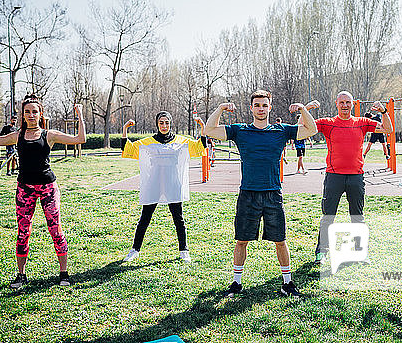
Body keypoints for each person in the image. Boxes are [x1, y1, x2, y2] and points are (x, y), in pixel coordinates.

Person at [204, 90, 319, 298]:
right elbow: (209, 129)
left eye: (264, 105)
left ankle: (287, 283)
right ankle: (236, 283)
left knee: (280, 240)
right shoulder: (240, 131)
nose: (261, 109)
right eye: (257, 105)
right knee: (241, 240)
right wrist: (220, 108)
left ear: (270, 107)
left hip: (273, 193)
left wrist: (302, 108)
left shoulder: (281, 131)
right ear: (251, 108)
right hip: (248, 193)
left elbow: (312, 129)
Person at [0, 94, 86, 288]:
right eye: (27, 112)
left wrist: (79, 114)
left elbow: (80, 138)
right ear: (23, 115)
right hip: (25, 189)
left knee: (55, 229)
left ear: (40, 114)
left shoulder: (49, 135)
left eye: (34, 111)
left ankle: (64, 273)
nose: (31, 115)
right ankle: (21, 275)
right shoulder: (17, 135)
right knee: (23, 232)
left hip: (47, 188)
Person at [314, 91, 392, 264]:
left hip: (356, 176)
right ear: (336, 103)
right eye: (342, 102)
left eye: (348, 102)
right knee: (328, 216)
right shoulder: (328, 123)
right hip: (334, 176)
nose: (345, 105)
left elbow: (388, 129)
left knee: (357, 216)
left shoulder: (362, 123)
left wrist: (384, 112)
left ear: (352, 104)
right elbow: (308, 127)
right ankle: (322, 253)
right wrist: (306, 109)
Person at [120, 111, 206, 263]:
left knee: (178, 218)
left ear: (170, 123)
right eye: (161, 123)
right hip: (154, 182)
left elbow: (199, 148)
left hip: (173, 182)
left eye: (167, 122)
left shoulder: (181, 141)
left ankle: (184, 250)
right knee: (145, 218)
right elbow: (129, 149)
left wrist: (202, 127)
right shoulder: (148, 142)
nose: (164, 125)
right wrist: (125, 129)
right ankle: (135, 250)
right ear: (157, 124)